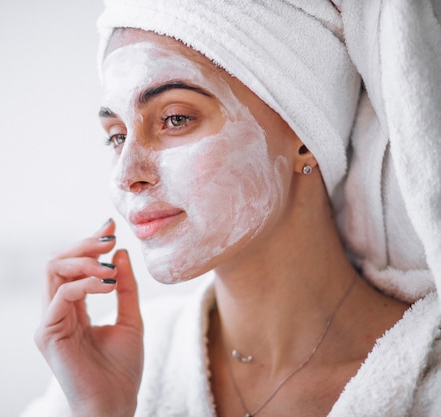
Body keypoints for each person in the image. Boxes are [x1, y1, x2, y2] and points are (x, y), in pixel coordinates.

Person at [25, 1, 441, 416]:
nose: (126, 175)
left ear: (303, 132)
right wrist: (102, 409)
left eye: (174, 118)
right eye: (116, 136)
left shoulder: (428, 386)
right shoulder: (105, 370)